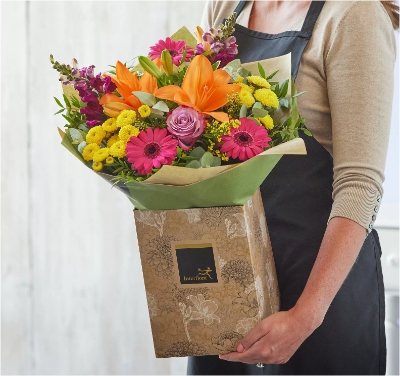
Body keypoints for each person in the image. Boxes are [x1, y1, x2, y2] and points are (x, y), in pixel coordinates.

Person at [187, 1, 398, 374]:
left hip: (317, 292)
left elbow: (360, 185)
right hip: (230, 288)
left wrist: (304, 316)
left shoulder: (354, 15)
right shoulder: (226, 6)